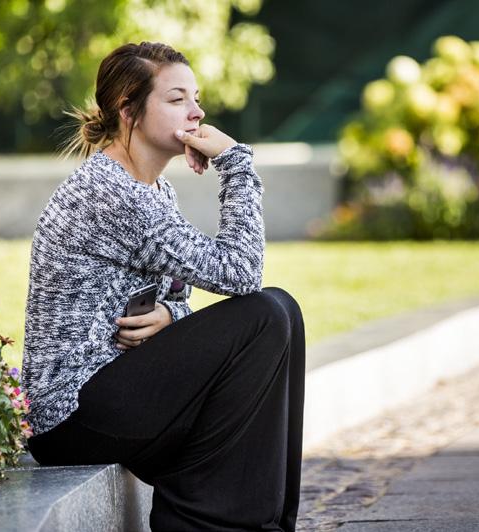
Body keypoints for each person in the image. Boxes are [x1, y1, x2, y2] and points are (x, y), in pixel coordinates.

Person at [21, 41, 306, 532]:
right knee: (264, 313)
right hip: (70, 415)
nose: (196, 113)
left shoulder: (152, 187)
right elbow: (239, 273)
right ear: (128, 110)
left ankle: (254, 522)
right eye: (177, 100)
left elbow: (176, 293)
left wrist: (173, 317)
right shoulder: (110, 193)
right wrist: (236, 165)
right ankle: (203, 523)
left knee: (282, 309)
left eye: (196, 98)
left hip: (116, 388)